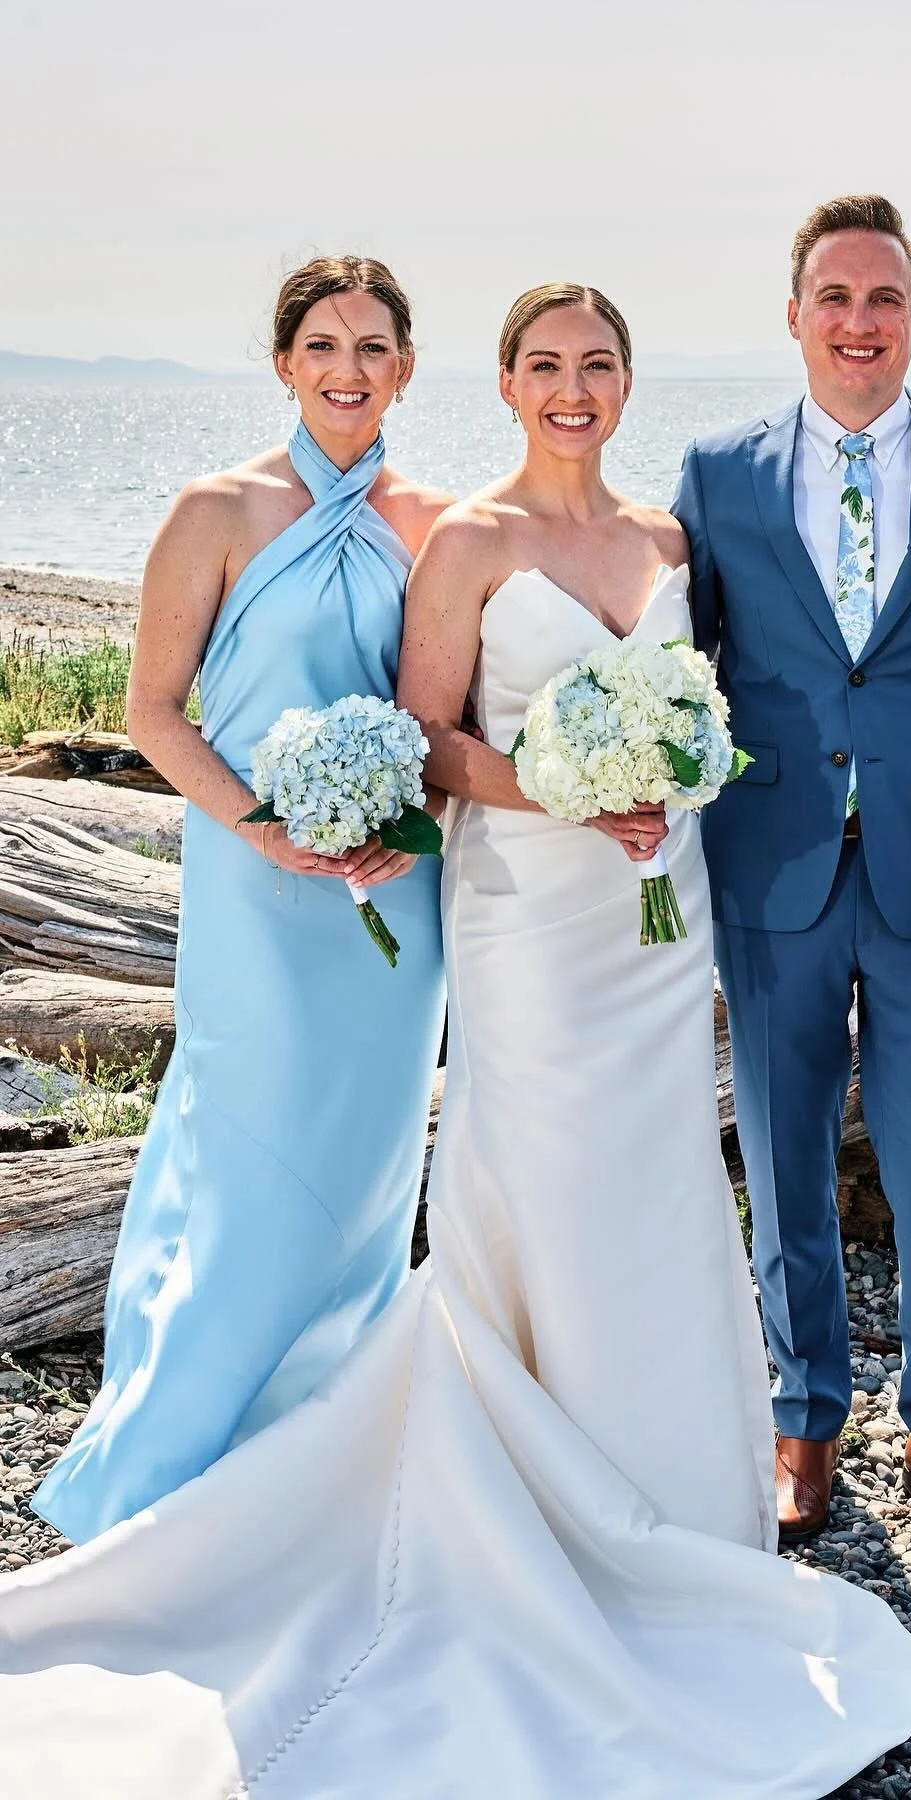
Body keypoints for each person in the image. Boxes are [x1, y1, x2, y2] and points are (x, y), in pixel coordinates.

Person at [0, 282, 911, 1799]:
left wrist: (681, 764)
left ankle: (685, 1494)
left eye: (599, 364)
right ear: (500, 383)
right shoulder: (464, 542)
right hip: (512, 913)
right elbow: (427, 730)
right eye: (547, 365)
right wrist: (561, 783)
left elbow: (718, 707)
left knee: (661, 1181)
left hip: (651, 910)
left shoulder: (665, 541)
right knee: (506, 1173)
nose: (573, 387)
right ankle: (409, 1473)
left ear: (627, 382)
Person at [31, 256, 449, 1546]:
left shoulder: (434, 523)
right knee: (242, 1150)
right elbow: (155, 713)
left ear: (407, 368)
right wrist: (262, 827)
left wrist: (411, 822)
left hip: (390, 900)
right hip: (253, 888)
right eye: (324, 344)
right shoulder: (213, 512)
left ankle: (329, 1447)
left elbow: (445, 717)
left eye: (374, 347)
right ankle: (180, 1446)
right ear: (282, 362)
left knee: (370, 1166)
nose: (348, 368)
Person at [673, 195, 911, 1545]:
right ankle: (802, 1420)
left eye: (884, 297)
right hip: (772, 865)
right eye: (834, 296)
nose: (858, 321)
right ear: (793, 316)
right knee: (780, 1159)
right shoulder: (717, 473)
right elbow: (677, 662)